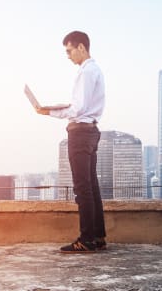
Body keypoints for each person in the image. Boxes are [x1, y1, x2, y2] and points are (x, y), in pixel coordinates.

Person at [36, 30, 107, 253]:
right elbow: (80, 106)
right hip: (90, 131)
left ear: (81, 48)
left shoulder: (86, 72)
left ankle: (86, 240)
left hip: (81, 134)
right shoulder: (94, 70)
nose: (68, 56)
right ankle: (97, 237)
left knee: (82, 188)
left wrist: (49, 112)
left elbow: (77, 108)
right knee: (91, 187)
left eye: (69, 51)